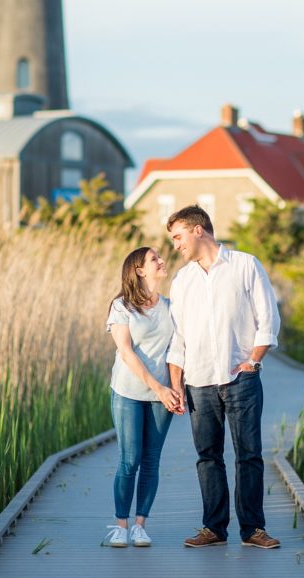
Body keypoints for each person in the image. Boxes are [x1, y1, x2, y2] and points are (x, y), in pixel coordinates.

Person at [166, 204, 282, 550]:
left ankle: (253, 530)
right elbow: (178, 336)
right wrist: (176, 383)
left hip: (241, 379)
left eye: (178, 236)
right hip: (198, 382)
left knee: (248, 455)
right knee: (208, 457)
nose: (176, 245)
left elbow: (268, 317)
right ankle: (213, 529)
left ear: (198, 230)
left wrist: (254, 361)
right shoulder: (182, 279)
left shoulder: (245, 265)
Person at [104, 246, 183, 548]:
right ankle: (120, 525)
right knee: (130, 460)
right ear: (139, 270)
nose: (162, 261)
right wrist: (158, 387)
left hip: (162, 395)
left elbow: (178, 350)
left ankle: (140, 525)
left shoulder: (171, 306)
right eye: (154, 259)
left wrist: (176, 387)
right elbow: (126, 352)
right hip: (128, 392)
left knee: (151, 461)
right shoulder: (121, 306)